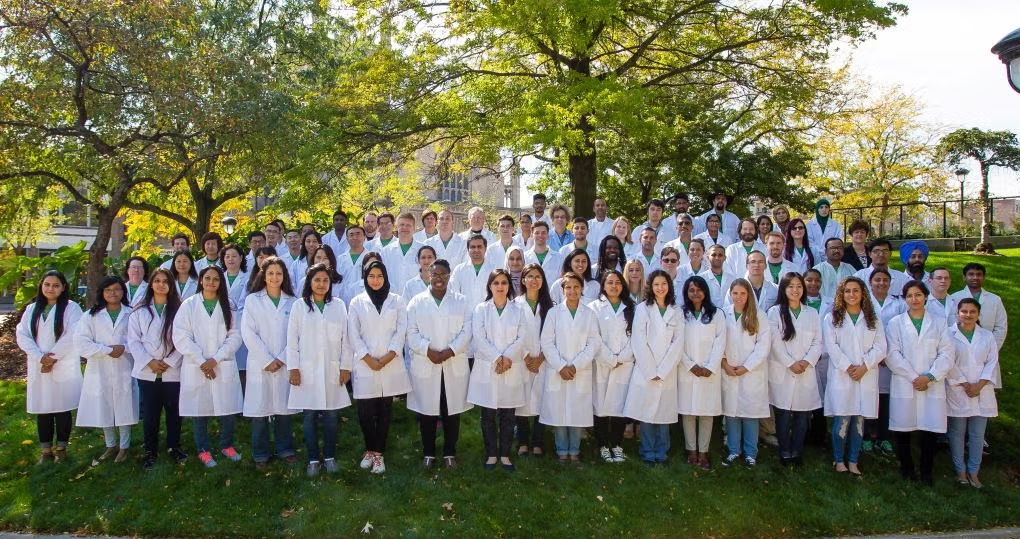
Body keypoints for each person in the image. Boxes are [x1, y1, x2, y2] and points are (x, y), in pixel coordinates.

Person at [172, 265, 244, 468]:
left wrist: (216, 359)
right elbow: (181, 335)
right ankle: (203, 449)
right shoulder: (189, 305)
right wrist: (202, 360)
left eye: (216, 279)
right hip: (197, 365)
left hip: (222, 363)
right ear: (201, 280)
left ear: (220, 283)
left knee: (227, 408)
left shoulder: (228, 305)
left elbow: (235, 335)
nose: (211, 282)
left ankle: (226, 445)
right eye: (207, 278)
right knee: (199, 409)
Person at [406, 259, 473, 470]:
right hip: (426, 362)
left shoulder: (461, 301)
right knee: (427, 412)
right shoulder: (417, 302)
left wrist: (449, 350)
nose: (439, 279)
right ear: (428, 274)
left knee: (451, 411)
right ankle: (428, 453)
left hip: (452, 362)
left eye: (444, 275)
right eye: (435, 274)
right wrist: (427, 350)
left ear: (450, 276)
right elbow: (411, 332)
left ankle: (450, 452)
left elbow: (467, 331)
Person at [885, 280, 954, 485]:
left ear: (925, 297)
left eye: (918, 295)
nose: (914, 299)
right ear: (905, 299)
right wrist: (914, 376)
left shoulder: (939, 322)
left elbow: (947, 353)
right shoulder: (895, 323)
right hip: (906, 381)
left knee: (929, 429)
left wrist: (930, 376)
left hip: (931, 383)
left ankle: (926, 471)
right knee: (903, 428)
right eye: (909, 296)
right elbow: (892, 353)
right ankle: (906, 467)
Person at [287, 264, 353, 477]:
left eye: (326, 280)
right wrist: (294, 368)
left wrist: (345, 367)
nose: (322, 284)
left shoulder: (339, 306)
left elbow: (347, 340)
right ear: (309, 282)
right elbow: (292, 340)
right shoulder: (299, 307)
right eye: (317, 280)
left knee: (332, 416)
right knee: (309, 416)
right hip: (307, 371)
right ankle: (314, 459)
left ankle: (330, 456)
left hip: (332, 370)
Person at [348, 261, 411, 474]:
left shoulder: (397, 301)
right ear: (365, 278)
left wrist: (388, 356)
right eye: (371, 276)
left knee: (385, 411)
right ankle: (369, 449)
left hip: (390, 362)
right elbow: (353, 334)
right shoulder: (357, 302)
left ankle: (379, 455)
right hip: (365, 364)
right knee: (365, 412)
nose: (376, 280)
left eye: (379, 276)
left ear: (385, 278)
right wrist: (368, 358)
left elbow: (401, 330)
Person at [16, 270, 84, 464]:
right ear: (41, 286)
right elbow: (22, 335)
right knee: (43, 408)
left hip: (62, 363)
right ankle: (45, 450)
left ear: (63, 287)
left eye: (55, 285)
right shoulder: (32, 309)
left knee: (62, 408)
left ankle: (61, 448)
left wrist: (52, 358)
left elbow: (72, 335)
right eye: (47, 284)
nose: (50, 288)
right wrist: (40, 357)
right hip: (39, 365)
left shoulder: (72, 308)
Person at [822, 277, 886, 476]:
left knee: (859, 419)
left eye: (856, 290)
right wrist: (849, 367)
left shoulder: (873, 319)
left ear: (863, 293)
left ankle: (853, 460)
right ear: (841, 294)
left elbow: (881, 346)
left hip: (865, 375)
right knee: (842, 419)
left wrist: (865, 366)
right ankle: (839, 460)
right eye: (847, 291)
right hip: (843, 375)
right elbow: (831, 347)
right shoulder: (832, 318)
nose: (852, 294)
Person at [469, 268, 528, 471]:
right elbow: (479, 337)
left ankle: (504, 453)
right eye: (496, 283)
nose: (500, 286)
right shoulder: (480, 310)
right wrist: (497, 358)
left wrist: (507, 358)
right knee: (488, 414)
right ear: (490, 286)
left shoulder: (518, 310)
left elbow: (521, 337)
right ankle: (491, 454)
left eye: (504, 283)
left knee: (508, 414)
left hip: (511, 366)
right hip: (488, 365)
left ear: (509, 286)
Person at [242, 257, 298, 470]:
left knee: (284, 410)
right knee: (260, 411)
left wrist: (282, 358)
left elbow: (295, 334)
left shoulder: (292, 302)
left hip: (284, 362)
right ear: (263, 276)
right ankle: (260, 454)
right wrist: (266, 359)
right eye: (271, 273)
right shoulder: (253, 300)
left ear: (284, 277)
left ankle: (285, 449)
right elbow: (248, 332)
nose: (275, 277)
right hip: (260, 364)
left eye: (279, 273)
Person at [128, 268, 187, 470]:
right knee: (151, 414)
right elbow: (133, 341)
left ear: (171, 285)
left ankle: (174, 446)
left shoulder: (180, 310)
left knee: (174, 412)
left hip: (173, 370)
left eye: (165, 281)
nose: (161, 285)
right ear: (151, 284)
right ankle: (150, 450)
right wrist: (149, 361)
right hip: (147, 371)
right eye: (157, 281)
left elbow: (184, 340)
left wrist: (169, 362)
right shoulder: (140, 310)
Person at [623, 269, 683, 465]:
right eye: (656, 284)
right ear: (650, 287)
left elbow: (678, 343)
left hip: (668, 370)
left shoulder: (677, 310)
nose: (660, 288)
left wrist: (663, 370)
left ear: (669, 286)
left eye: (664, 284)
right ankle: (648, 451)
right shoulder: (642, 309)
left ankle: (662, 452)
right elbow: (638, 341)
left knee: (664, 414)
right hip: (646, 369)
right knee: (647, 413)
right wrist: (651, 370)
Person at [75, 276, 137, 463]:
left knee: (125, 406)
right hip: (99, 367)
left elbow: (140, 339)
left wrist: (123, 348)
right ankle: (110, 445)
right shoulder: (90, 316)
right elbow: (81, 343)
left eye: (117, 289)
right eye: (108, 290)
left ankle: (124, 447)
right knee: (105, 407)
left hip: (124, 366)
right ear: (102, 293)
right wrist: (107, 350)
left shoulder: (132, 313)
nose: (113, 293)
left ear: (123, 292)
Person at [540, 272, 601, 462]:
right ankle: (561, 450)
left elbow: (593, 343)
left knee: (577, 412)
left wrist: (575, 365)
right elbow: (547, 342)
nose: (572, 291)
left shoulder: (589, 314)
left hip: (579, 371)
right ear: (562, 289)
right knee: (558, 412)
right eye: (568, 287)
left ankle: (574, 451)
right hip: (558, 370)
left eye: (576, 287)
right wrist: (561, 366)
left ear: (582, 289)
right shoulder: (553, 313)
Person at [768, 272, 821, 466]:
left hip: (805, 370)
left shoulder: (812, 313)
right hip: (783, 369)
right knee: (782, 414)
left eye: (799, 286)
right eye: (790, 286)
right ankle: (784, 451)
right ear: (783, 289)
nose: (795, 290)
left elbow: (817, 341)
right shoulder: (774, 313)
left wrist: (806, 362)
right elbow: (774, 342)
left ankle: (796, 451)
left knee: (802, 414)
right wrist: (790, 362)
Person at [946, 298, 998, 488]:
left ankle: (974, 472)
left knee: (977, 434)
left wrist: (979, 385)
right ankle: (960, 470)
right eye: (964, 311)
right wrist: (966, 385)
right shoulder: (948, 335)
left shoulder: (987, 336)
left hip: (982, 391)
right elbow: (947, 362)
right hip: (959, 389)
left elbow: (992, 362)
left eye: (972, 312)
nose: (968, 315)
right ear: (957, 313)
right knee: (957, 433)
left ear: (978, 315)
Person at [720, 279, 771, 468]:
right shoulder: (723, 314)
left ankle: (751, 453)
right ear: (730, 294)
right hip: (729, 370)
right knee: (731, 414)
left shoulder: (760, 316)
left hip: (751, 372)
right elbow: (718, 341)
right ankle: (734, 450)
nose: (739, 297)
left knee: (750, 414)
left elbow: (763, 347)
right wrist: (724, 363)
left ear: (749, 294)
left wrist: (746, 367)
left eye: (743, 293)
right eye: (735, 293)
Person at [678, 275, 725, 470]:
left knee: (706, 413)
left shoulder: (717, 314)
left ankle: (703, 452)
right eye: (691, 290)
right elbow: (676, 343)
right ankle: (691, 451)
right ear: (686, 293)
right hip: (687, 370)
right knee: (688, 412)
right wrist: (691, 365)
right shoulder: (680, 314)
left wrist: (710, 366)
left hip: (709, 371)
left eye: (699, 289)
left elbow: (720, 341)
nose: (695, 293)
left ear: (705, 291)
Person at [591, 270, 635, 463]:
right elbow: (594, 337)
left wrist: (622, 357)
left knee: (619, 406)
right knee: (600, 407)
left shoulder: (632, 307)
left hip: (624, 364)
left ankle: (616, 444)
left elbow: (636, 337)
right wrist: (610, 358)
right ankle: (602, 445)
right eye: (610, 282)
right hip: (602, 363)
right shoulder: (594, 308)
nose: (614, 286)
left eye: (618, 282)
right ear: (603, 285)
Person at [861, 267, 904, 456]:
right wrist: (873, 356)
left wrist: (888, 356)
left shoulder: (899, 304)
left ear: (890, 283)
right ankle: (866, 437)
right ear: (870, 283)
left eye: (885, 280)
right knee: (869, 397)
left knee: (886, 399)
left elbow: (902, 332)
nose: (881, 283)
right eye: (877, 280)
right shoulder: (863, 303)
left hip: (890, 360)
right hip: (868, 359)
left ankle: (884, 436)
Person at [514, 263, 554, 457]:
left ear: (542, 281)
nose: (534, 280)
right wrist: (526, 356)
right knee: (521, 401)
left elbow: (555, 336)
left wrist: (541, 358)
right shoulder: (514, 305)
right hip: (522, 360)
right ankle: (522, 441)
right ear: (523, 280)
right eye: (530, 276)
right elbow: (512, 334)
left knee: (541, 400)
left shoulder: (550, 306)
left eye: (538, 277)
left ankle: (537, 441)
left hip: (543, 360)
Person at [949, 262, 1007, 353]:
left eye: (979, 274)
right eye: (971, 274)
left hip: (988, 347)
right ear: (964, 277)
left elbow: (1001, 327)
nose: (975, 277)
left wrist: (992, 349)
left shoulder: (995, 300)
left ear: (984, 278)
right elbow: (950, 324)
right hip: (959, 348)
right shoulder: (953, 298)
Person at [381, 213, 425, 293]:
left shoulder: (423, 250)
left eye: (408, 225)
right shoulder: (386, 251)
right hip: (392, 298)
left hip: (416, 297)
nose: (405, 227)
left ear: (414, 228)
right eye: (401, 224)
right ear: (397, 227)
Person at [451, 234, 497, 309]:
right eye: (472, 247)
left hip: (487, 314)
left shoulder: (494, 269)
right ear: (468, 249)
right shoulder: (459, 270)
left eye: (479, 246)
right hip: (464, 315)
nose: (476, 250)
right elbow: (454, 293)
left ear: (485, 248)